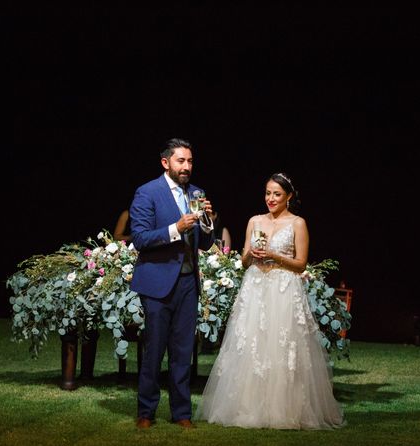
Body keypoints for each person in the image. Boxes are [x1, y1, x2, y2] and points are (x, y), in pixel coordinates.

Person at [196, 173, 345, 429]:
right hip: (256, 286)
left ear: (288, 196)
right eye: (267, 193)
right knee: (252, 343)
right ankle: (248, 405)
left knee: (281, 343)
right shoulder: (255, 220)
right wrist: (250, 255)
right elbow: (242, 260)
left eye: (277, 194)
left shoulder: (298, 223)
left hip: (284, 288)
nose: (271, 199)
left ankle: (283, 408)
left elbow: (300, 264)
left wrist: (275, 255)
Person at [129, 138, 215, 429]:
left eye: (190, 161)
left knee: (182, 351)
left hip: (188, 282)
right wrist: (175, 229)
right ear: (166, 162)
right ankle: (146, 411)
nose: (187, 167)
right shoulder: (147, 192)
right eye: (181, 161)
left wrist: (207, 223)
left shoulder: (197, 193)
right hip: (157, 283)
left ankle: (181, 413)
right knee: (154, 350)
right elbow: (140, 238)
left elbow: (204, 242)